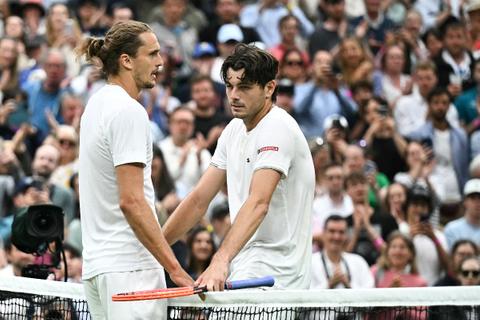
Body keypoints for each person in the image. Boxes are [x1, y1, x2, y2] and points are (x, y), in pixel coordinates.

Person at [163, 43, 315, 290]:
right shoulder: (233, 130)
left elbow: (258, 203)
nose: (234, 95)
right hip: (245, 265)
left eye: (244, 87)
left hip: (278, 276)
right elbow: (199, 200)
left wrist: (219, 260)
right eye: (229, 86)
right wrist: (153, 250)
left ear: (269, 88)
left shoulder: (277, 128)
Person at [77, 21, 193, 320]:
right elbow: (131, 201)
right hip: (131, 271)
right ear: (126, 61)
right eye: (152, 54)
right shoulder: (129, 112)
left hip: (99, 271)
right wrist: (175, 269)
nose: (160, 62)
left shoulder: (95, 105)